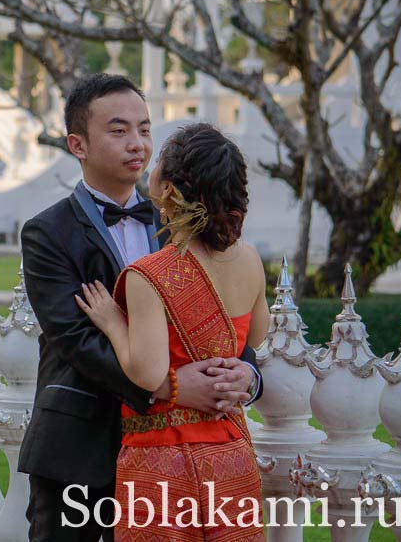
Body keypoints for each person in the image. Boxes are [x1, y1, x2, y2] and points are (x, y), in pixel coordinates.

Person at [18, 74, 263, 542]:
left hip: (181, 456)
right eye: (118, 130)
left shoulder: (183, 221)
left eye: (145, 129)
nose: (138, 143)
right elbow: (76, 339)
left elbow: (222, 321)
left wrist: (247, 375)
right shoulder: (46, 232)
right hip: (82, 446)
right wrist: (168, 388)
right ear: (78, 144)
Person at [76, 122, 269, 540]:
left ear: (168, 190)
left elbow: (147, 374)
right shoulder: (250, 259)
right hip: (231, 453)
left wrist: (112, 322)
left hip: (163, 459)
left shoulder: (150, 274)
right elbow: (255, 336)